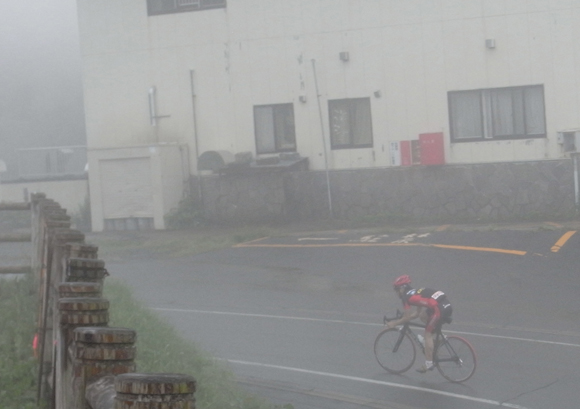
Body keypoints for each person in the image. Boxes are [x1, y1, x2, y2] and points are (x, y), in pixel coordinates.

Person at [386, 275, 452, 373]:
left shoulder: (405, 297)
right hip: (445, 305)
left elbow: (407, 317)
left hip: (438, 309)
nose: (396, 292)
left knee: (427, 334)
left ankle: (429, 364)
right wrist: (403, 319)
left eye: (397, 289)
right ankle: (436, 339)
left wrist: (394, 323)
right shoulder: (415, 292)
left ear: (402, 288)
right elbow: (416, 314)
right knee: (423, 316)